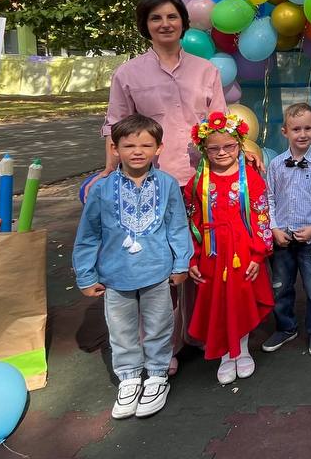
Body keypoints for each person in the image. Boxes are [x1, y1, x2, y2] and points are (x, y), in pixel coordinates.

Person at [94, 0, 227, 376]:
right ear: (145, 26)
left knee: (201, 259)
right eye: (156, 18)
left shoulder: (206, 70)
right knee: (158, 266)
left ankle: (199, 332)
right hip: (149, 183)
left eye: (172, 16)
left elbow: (221, 125)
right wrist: (109, 170)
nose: (165, 24)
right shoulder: (128, 74)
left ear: (184, 22)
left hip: (200, 180)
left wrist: (240, 159)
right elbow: (115, 126)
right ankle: (162, 346)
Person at [72, 114, 192, 419]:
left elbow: (177, 227)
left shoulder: (166, 185)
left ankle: (157, 375)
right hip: (115, 276)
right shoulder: (101, 189)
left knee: (159, 326)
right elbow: (88, 235)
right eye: (128, 145)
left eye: (146, 145)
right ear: (115, 149)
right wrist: (86, 275)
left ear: (159, 148)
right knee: (121, 331)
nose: (137, 151)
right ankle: (128, 378)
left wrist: (181, 264)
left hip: (157, 272)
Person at [184, 111, 274, 385]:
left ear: (239, 145)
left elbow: (261, 217)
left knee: (241, 299)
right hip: (212, 254)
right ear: (204, 149)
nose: (222, 152)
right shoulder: (197, 183)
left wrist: (258, 255)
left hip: (242, 254)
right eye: (214, 148)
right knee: (219, 302)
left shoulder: (252, 179)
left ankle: (242, 349)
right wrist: (193, 258)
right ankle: (225, 354)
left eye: (229, 146)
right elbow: (192, 222)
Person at [262, 103, 311, 357]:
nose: (302, 134)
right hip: (282, 238)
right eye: (296, 129)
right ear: (285, 131)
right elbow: (269, 199)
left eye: (307, 128)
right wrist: (273, 228)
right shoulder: (275, 165)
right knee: (281, 286)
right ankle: (286, 328)